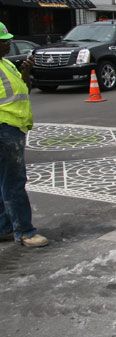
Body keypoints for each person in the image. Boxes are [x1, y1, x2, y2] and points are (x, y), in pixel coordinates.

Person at [0, 22, 49, 247]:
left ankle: (5, 228)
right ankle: (25, 232)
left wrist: (25, 72)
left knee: (4, 182)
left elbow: (24, 91)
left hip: (14, 128)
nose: (9, 42)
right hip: (5, 129)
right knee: (13, 182)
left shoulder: (6, 65)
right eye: (3, 40)